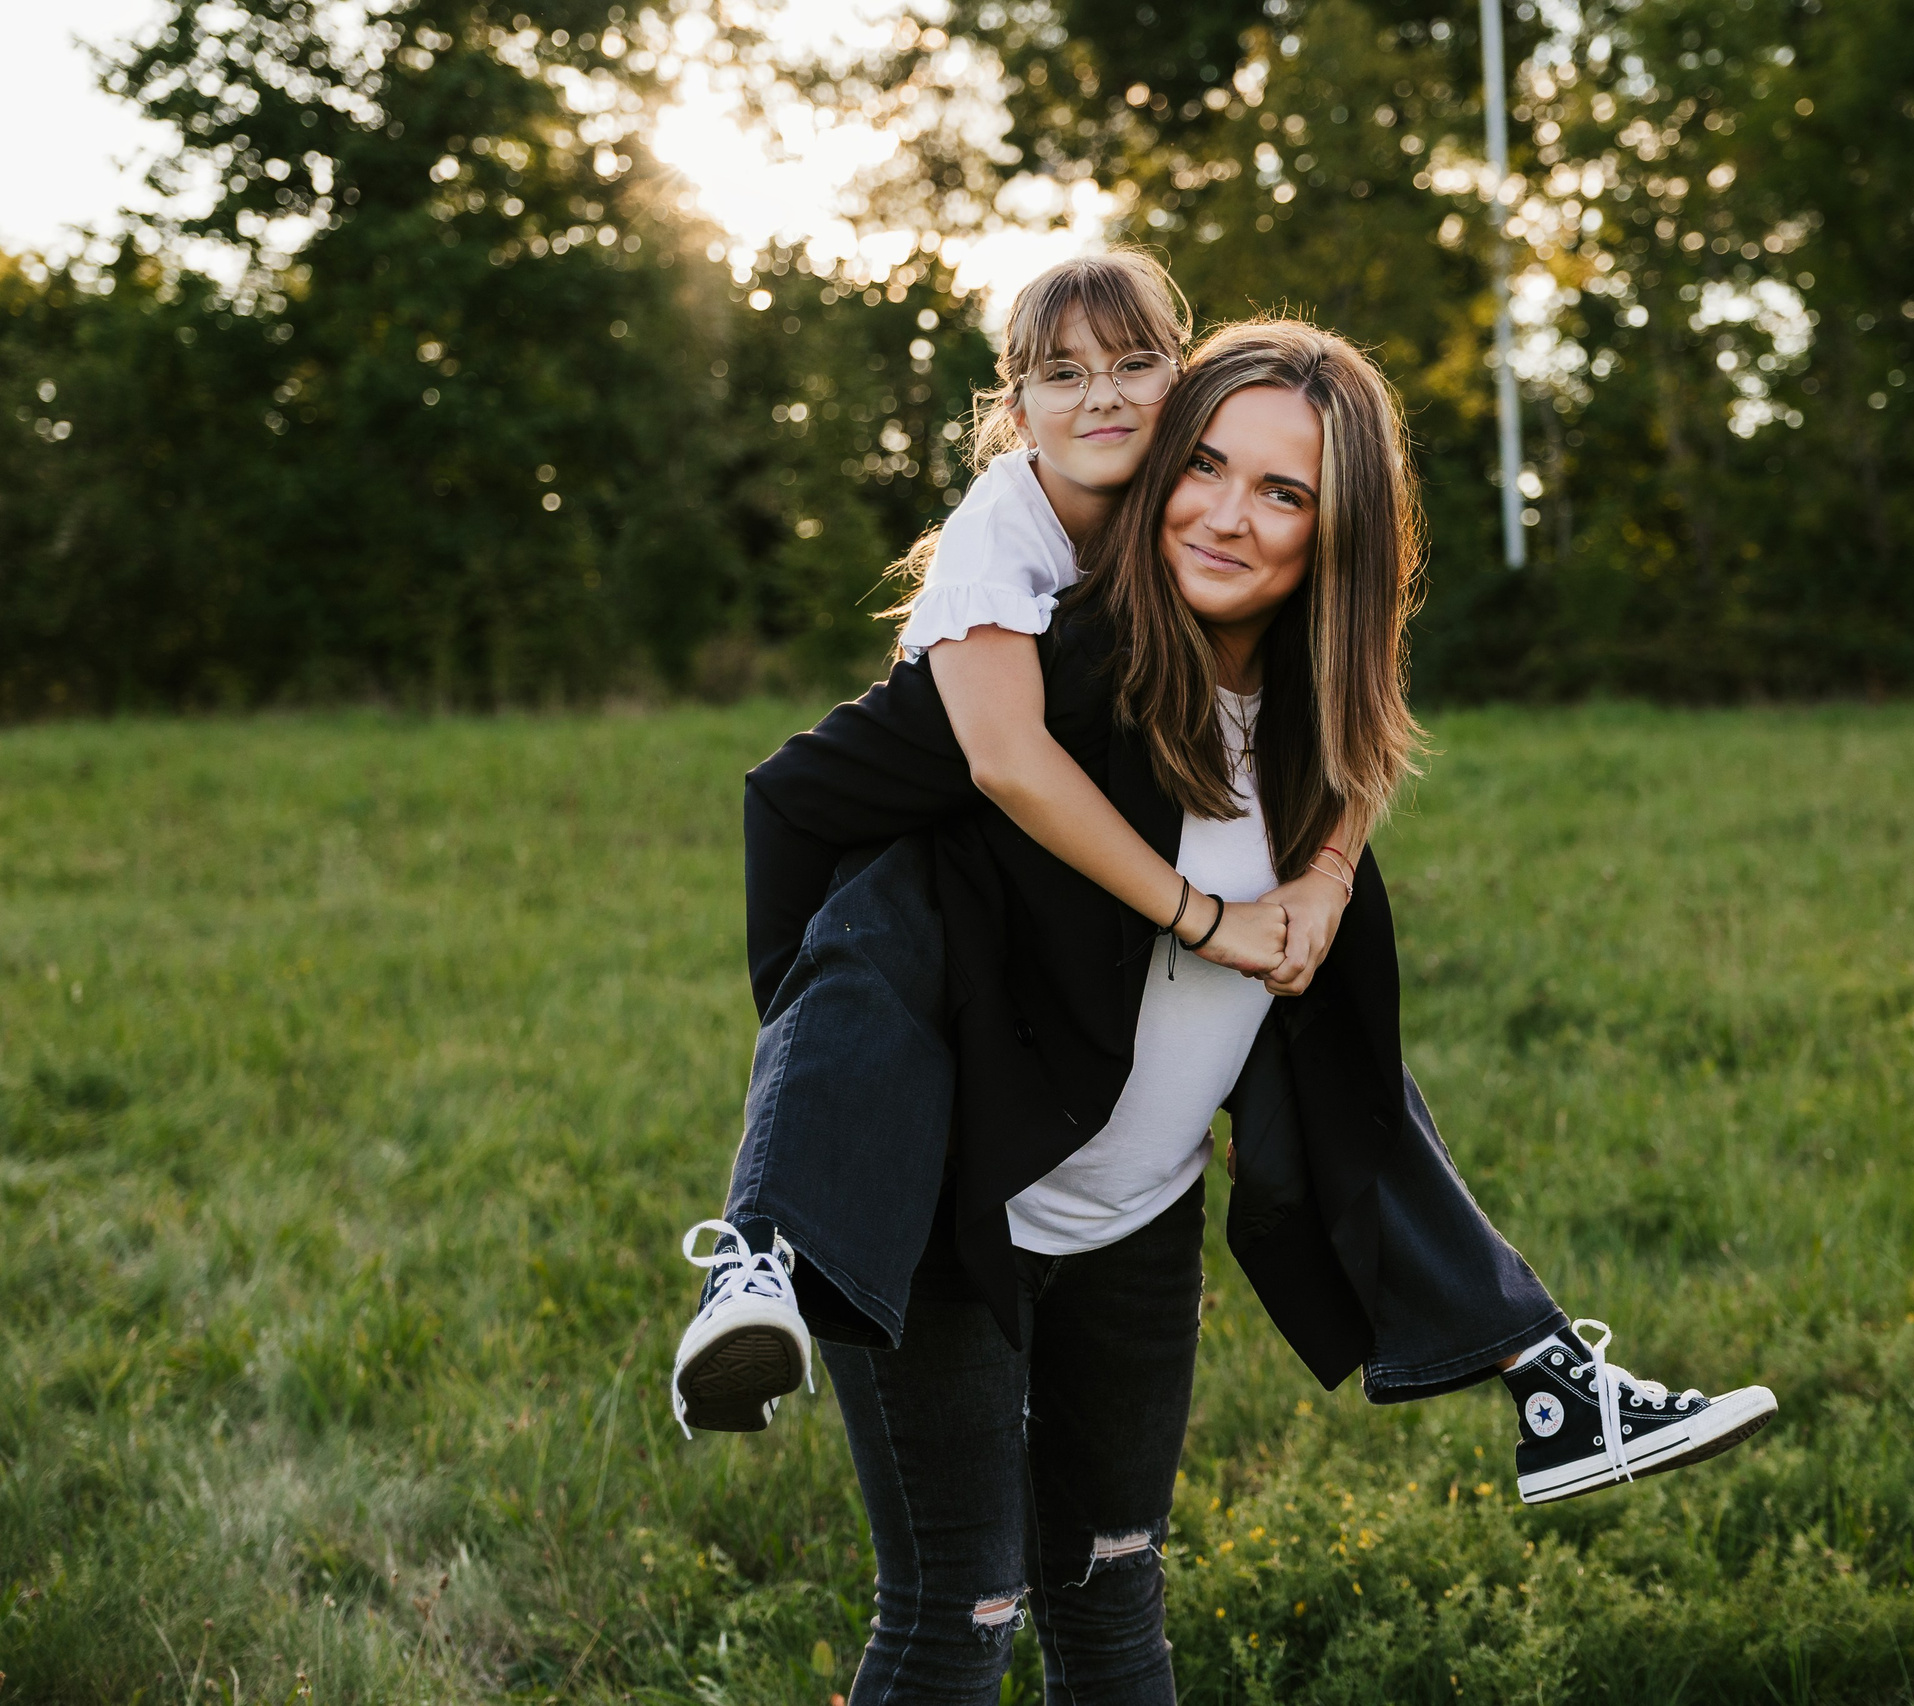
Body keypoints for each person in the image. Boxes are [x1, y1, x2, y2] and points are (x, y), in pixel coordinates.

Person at [681, 321, 1777, 1700]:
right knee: (962, 1611)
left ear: (1338, 534)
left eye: (1283, 492)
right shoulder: (1046, 669)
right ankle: (766, 1243)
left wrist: (1321, 879)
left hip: (1135, 1225)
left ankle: (1544, 1372)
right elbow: (801, 800)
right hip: (958, 1210)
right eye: (1202, 465)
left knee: (1117, 1591)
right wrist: (824, 1069)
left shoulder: (1317, 712)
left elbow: (1352, 734)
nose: (1223, 513)